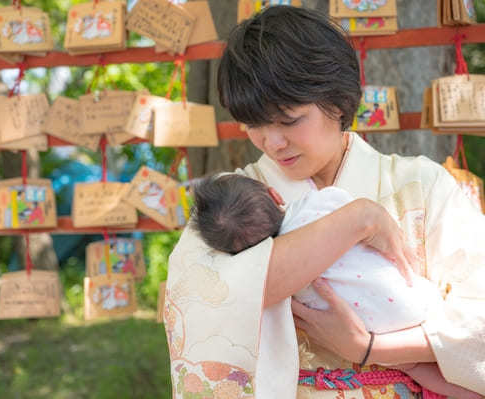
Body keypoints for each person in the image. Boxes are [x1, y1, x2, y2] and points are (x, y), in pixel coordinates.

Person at [163, 5, 485, 399]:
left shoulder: (420, 183)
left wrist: (368, 348)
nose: (272, 142)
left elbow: (477, 317)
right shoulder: (235, 197)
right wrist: (356, 220)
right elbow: (201, 297)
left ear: (337, 102)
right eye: (254, 125)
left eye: (289, 119)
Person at [189, 173, 479, 398]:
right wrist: (361, 217)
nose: (274, 141)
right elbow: (345, 205)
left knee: (419, 370)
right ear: (273, 193)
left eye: (289, 121)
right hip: (419, 298)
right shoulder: (319, 202)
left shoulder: (282, 277)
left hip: (376, 328)